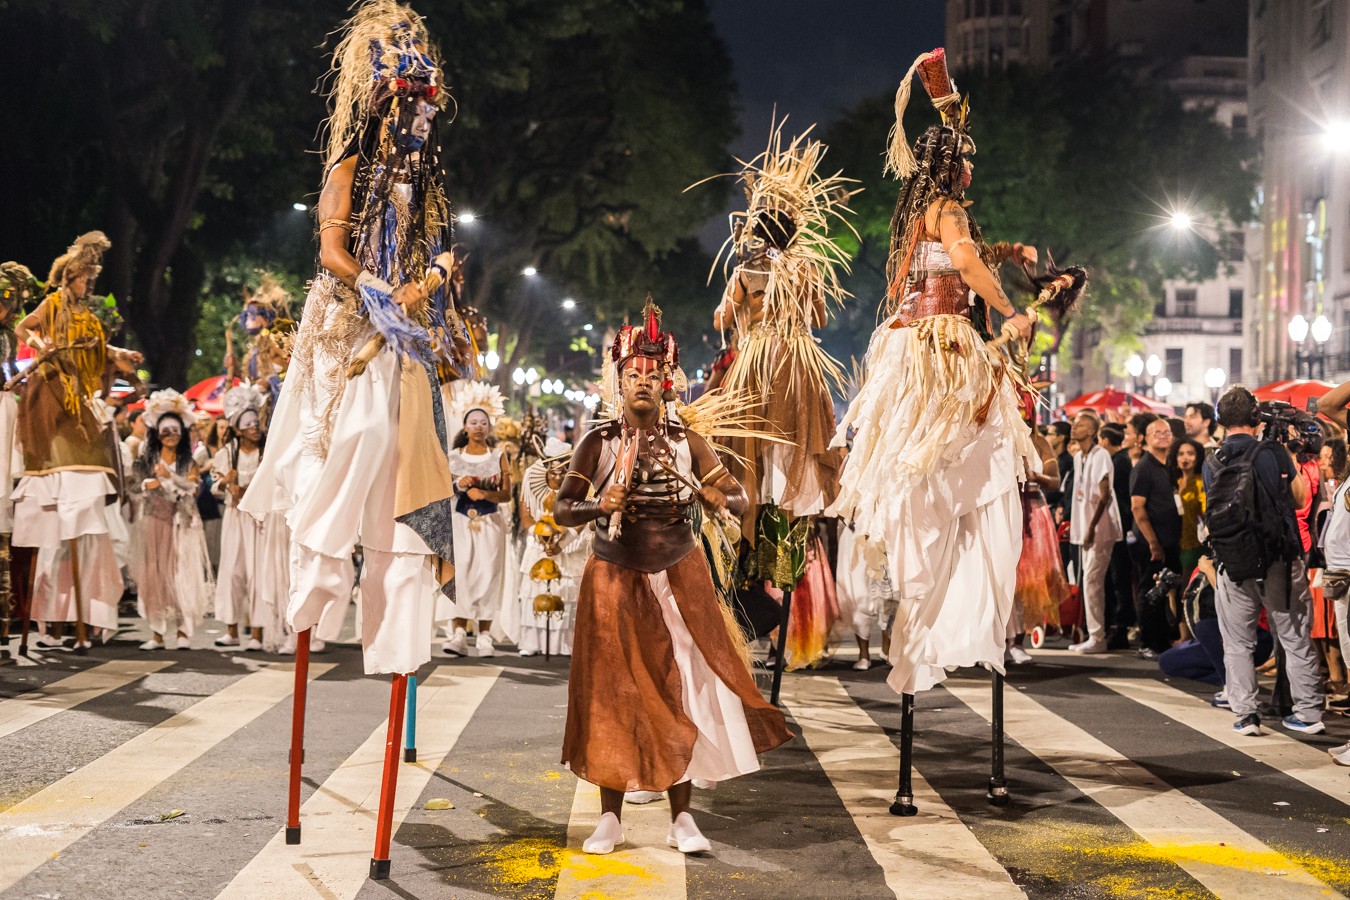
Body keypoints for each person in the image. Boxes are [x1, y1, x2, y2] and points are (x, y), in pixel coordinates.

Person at [241, 0, 458, 679]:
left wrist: (422, 285)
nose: (420, 123)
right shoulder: (352, 165)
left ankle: (397, 629)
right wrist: (372, 286)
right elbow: (332, 248)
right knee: (354, 435)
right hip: (346, 322)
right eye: (411, 111)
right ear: (387, 107)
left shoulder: (425, 179)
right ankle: (318, 580)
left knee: (404, 462)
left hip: (402, 333)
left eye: (426, 113)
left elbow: (448, 250)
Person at [828, 47, 1040, 695]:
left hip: (922, 345)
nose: (973, 165)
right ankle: (932, 588)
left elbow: (960, 260)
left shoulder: (933, 212)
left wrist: (1008, 250)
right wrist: (1010, 312)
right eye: (967, 157)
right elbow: (967, 269)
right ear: (951, 164)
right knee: (966, 460)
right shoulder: (946, 210)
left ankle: (929, 589)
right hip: (942, 352)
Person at [554, 298, 791, 855]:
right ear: (618, 381)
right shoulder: (599, 442)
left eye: (652, 374)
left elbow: (738, 491)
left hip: (680, 576)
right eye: (632, 374)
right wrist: (598, 504)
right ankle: (609, 818)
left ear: (667, 382)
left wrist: (720, 494)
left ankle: (682, 818)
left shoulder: (689, 441)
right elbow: (563, 509)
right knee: (614, 693)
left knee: (686, 688)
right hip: (614, 577)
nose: (643, 381)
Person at [13, 232, 140, 648]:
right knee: (54, 494)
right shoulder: (52, 304)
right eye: (85, 278)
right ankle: (54, 620)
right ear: (70, 277)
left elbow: (95, 349)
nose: (89, 284)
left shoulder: (88, 315)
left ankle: (80, 618)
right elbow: (22, 327)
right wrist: (40, 343)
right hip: (55, 395)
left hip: (82, 397)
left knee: (84, 500)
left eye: (90, 278)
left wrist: (121, 354)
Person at [1204, 386, 1323, 736]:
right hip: (1279, 559)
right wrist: (1289, 455)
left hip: (1233, 559)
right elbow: (1300, 499)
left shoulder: (1212, 458)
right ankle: (1309, 712)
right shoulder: (1273, 451)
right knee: (1294, 636)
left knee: (1238, 641)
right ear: (1257, 418)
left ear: (1220, 420)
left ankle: (1246, 714)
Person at [129, 390, 214, 649]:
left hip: (182, 524)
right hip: (155, 521)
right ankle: (156, 634)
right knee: (155, 575)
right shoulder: (146, 458)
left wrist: (168, 477)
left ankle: (183, 632)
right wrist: (148, 483)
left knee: (181, 576)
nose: (170, 436)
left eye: (175, 431)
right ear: (157, 433)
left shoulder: (189, 460)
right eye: (165, 432)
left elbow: (192, 489)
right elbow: (133, 489)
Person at [441, 382, 512, 657]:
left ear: (489, 426)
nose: (479, 427)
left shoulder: (498, 457)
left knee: (488, 575)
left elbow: (506, 494)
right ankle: (458, 631)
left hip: (490, 522)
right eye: (474, 422)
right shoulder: (453, 457)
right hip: (459, 521)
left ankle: (484, 634)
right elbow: (441, 490)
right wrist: (459, 485)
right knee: (461, 574)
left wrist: (483, 492)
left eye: (483, 422)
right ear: (465, 426)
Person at [516, 439, 590, 657]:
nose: (558, 476)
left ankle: (565, 644)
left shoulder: (579, 486)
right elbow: (526, 515)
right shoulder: (531, 484)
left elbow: (583, 516)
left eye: (563, 471)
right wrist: (539, 533)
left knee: (566, 592)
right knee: (535, 592)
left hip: (570, 546)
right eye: (553, 471)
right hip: (539, 544)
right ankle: (532, 641)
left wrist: (563, 541)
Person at [1012, 423, 1069, 662]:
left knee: (1029, 581)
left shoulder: (1040, 442)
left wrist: (1035, 476)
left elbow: (1055, 482)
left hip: (1033, 512)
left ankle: (1017, 642)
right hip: (1007, 510)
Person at [1069, 411, 1121, 653]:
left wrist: (1091, 527)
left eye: (1079, 425)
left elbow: (1104, 494)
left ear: (1091, 431)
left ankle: (1097, 636)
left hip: (1100, 528)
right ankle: (1094, 633)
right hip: (1086, 526)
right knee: (1090, 580)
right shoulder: (1079, 456)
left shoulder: (1100, 455)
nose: (1074, 427)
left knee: (1092, 580)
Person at [1130, 417, 1181, 657]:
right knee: (1148, 591)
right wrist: (1152, 541)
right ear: (1146, 439)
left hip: (1170, 540)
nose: (1162, 435)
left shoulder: (1168, 466)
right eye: (1156, 432)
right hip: (1150, 542)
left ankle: (1162, 640)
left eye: (1167, 432)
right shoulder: (1144, 468)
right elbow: (1138, 508)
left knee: (1162, 592)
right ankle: (1147, 643)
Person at [1100, 423, 1136, 648]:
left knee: (1118, 579)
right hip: (1119, 524)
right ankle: (1117, 626)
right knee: (1116, 578)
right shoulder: (1120, 460)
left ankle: (1120, 627)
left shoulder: (1119, 462)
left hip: (1119, 525)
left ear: (1104, 440)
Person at [1169, 437, 1208, 579]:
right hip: (1173, 542)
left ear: (1197, 458)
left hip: (1194, 543)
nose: (1185, 458)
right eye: (1181, 453)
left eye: (1190, 453)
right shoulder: (1173, 482)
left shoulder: (1200, 482)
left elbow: (1205, 510)